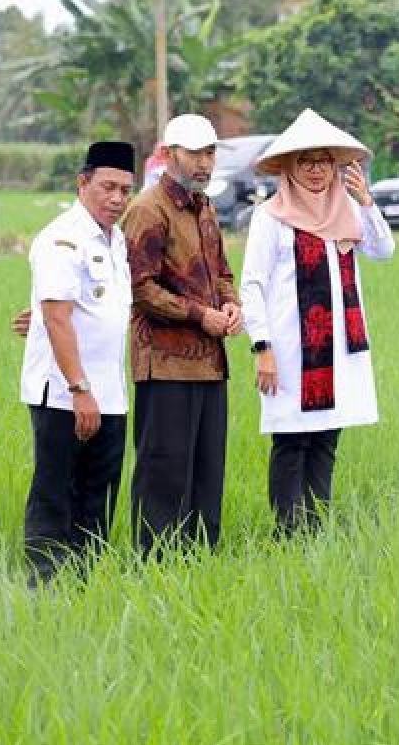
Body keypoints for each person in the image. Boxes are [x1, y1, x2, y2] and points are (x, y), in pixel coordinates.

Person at [239, 109, 395, 536]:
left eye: (322, 161)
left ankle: (316, 527)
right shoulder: (271, 217)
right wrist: (262, 348)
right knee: (292, 441)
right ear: (288, 168)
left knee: (326, 438)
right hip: (292, 351)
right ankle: (287, 532)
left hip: (338, 350)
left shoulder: (347, 211)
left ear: (335, 166)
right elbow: (252, 284)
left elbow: (383, 250)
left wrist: (367, 202)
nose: (314, 171)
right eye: (304, 162)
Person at [122, 113, 241, 554]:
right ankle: (154, 564)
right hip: (166, 363)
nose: (204, 163)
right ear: (171, 154)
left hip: (210, 364)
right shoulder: (147, 209)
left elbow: (222, 272)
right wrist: (199, 315)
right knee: (164, 471)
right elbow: (139, 288)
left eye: (210, 153)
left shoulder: (204, 206)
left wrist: (231, 306)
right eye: (194, 153)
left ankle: (201, 562)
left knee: (208, 471)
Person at [19, 142, 136, 585]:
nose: (117, 199)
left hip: (110, 394)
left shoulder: (116, 239)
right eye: (107, 187)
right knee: (55, 493)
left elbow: (93, 308)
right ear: (82, 183)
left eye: (126, 190)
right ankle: (44, 586)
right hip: (66, 394)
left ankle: (84, 585)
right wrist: (79, 388)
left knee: (98, 498)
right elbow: (56, 316)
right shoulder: (61, 238)